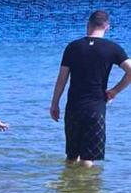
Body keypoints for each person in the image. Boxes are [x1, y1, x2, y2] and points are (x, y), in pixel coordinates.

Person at [50, 10, 131, 167]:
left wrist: (54, 104)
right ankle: (85, 191)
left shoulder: (73, 47)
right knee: (88, 158)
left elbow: (62, 79)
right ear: (106, 27)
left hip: (73, 107)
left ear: (88, 25)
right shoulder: (112, 48)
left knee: (71, 156)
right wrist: (115, 90)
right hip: (95, 109)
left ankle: (67, 188)